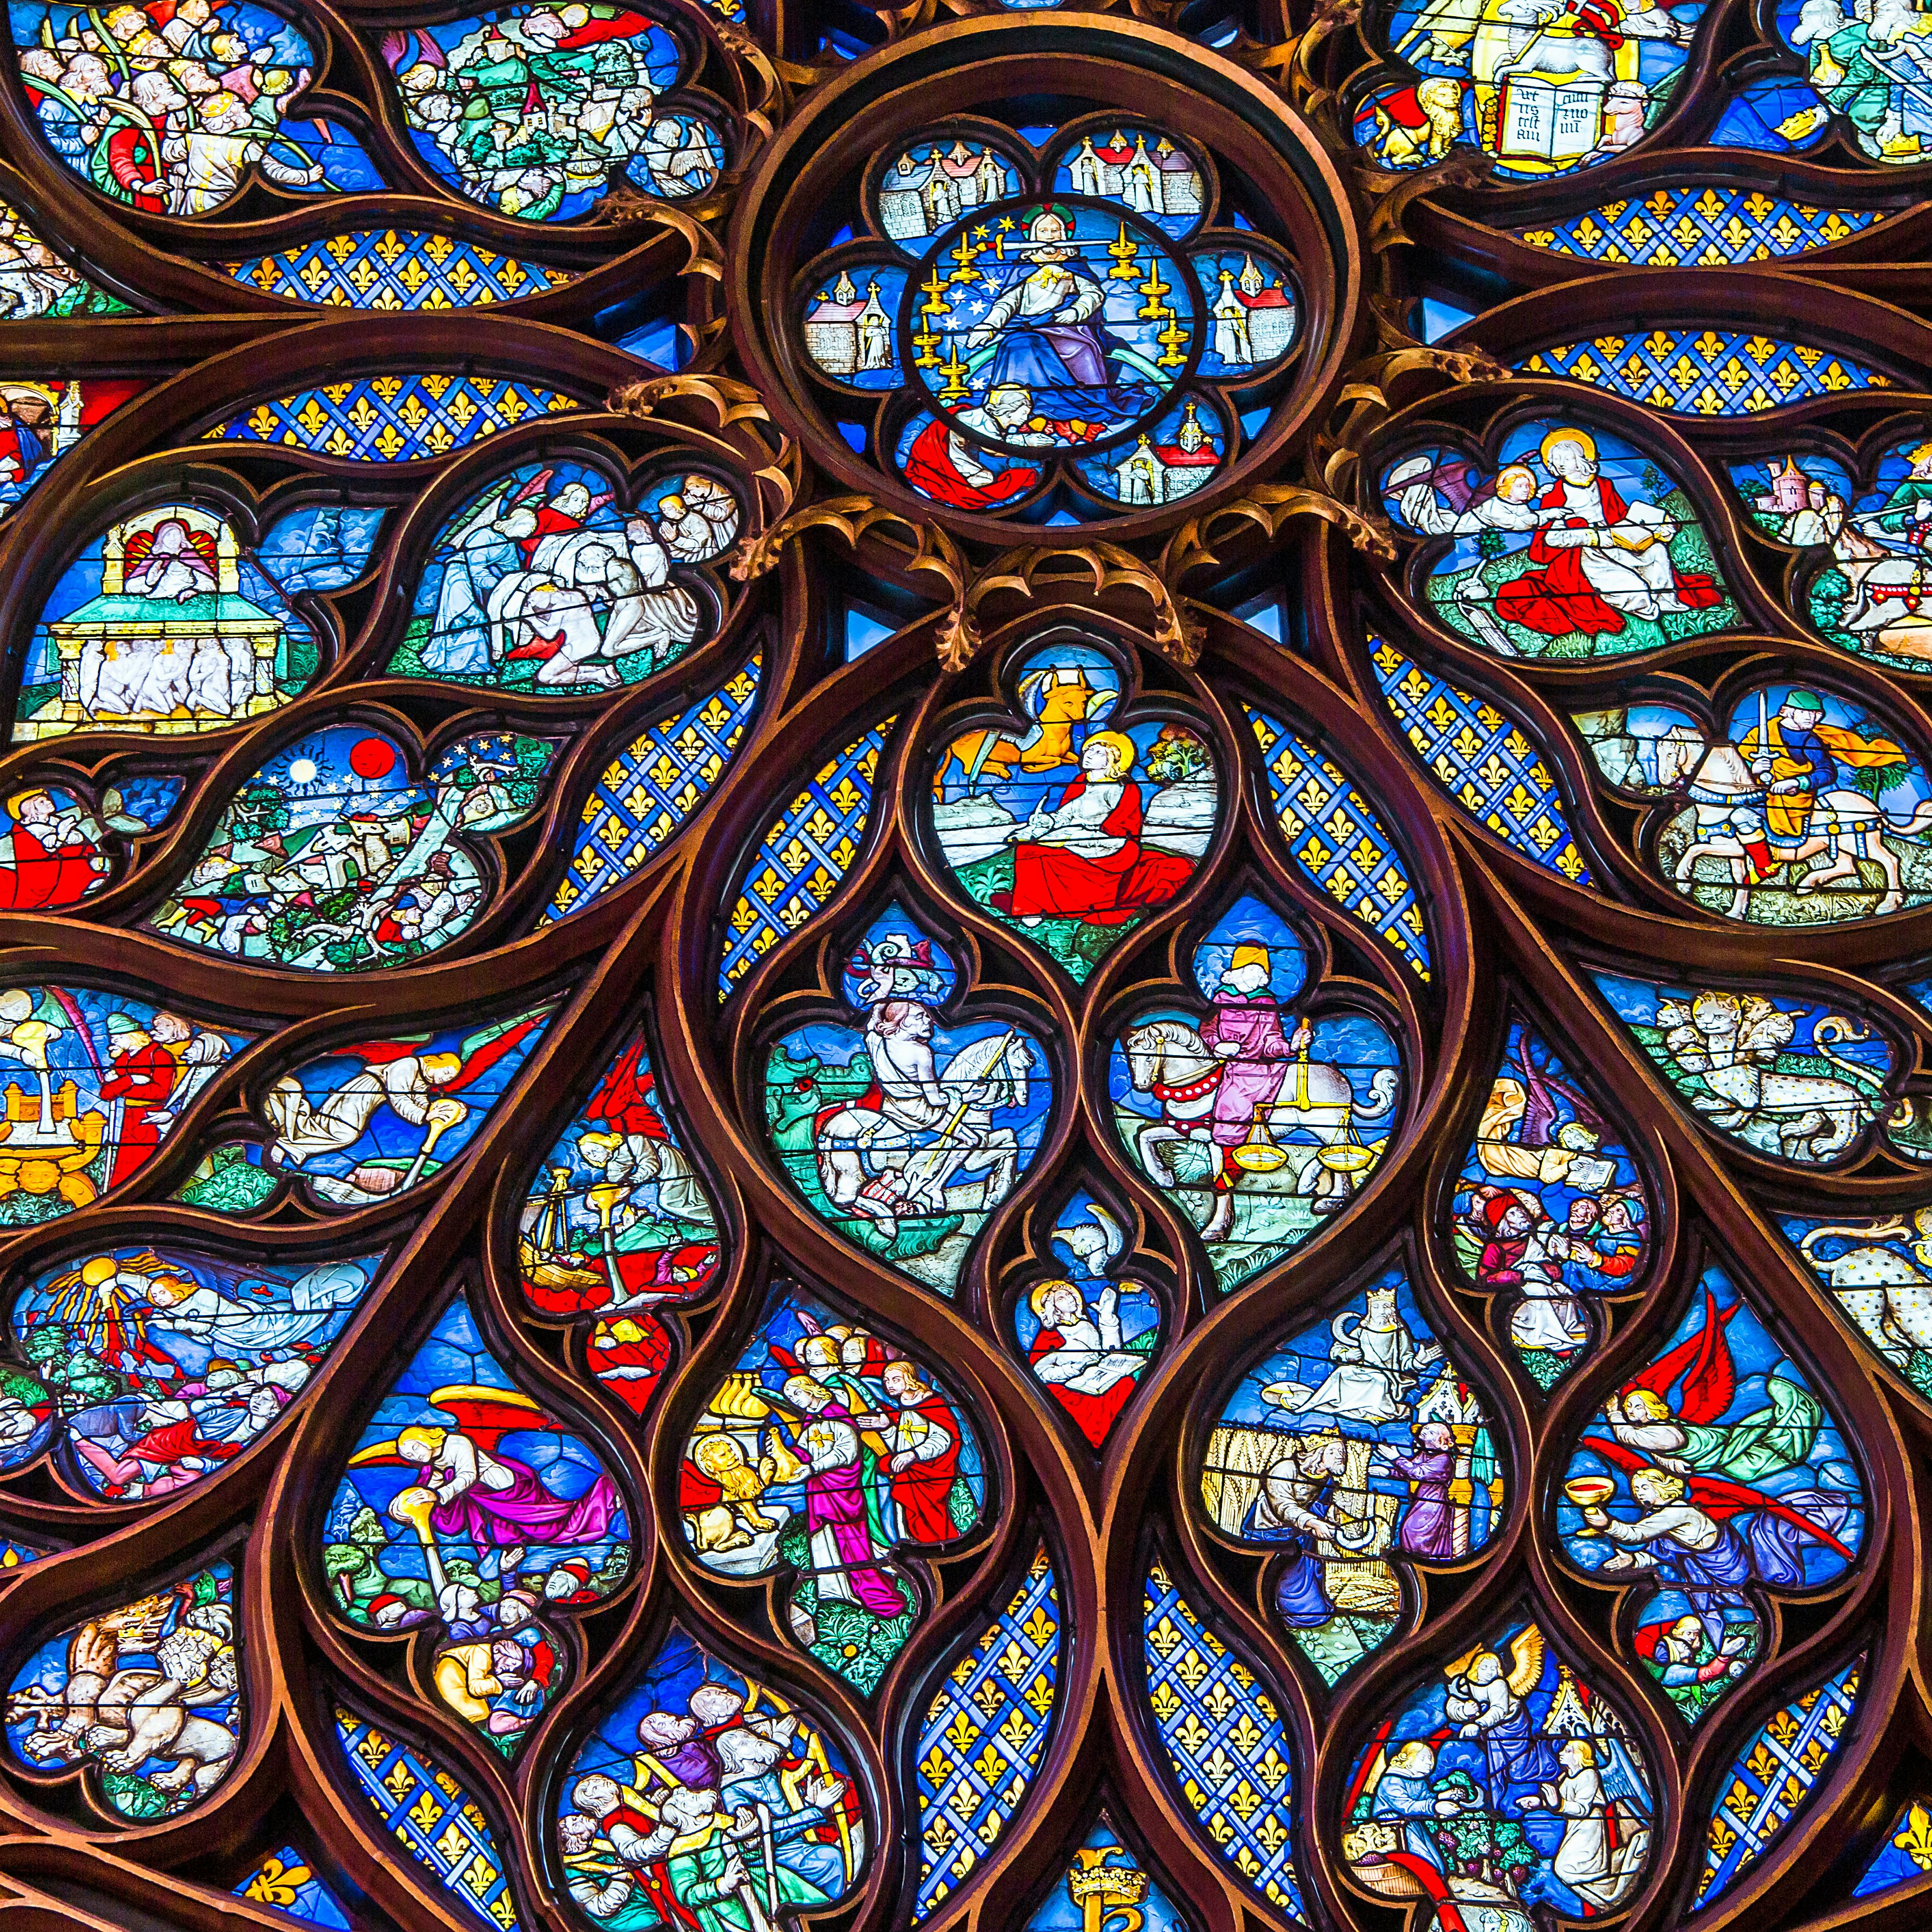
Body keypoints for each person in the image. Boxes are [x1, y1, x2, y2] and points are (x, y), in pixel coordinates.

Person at [1495, 427, 1721, 639]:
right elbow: (1549, 540)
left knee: (1657, 551)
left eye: (1565, 458)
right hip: (1583, 554)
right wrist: (1588, 534)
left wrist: (1656, 525)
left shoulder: (1604, 485)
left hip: (1618, 541)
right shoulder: (1553, 497)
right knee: (1633, 587)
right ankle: (1647, 608)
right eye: (1554, 460)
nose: (1559, 464)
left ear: (1581, 457)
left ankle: (1667, 600)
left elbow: (1622, 515)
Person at [997, 731, 1194, 926]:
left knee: (1036, 852)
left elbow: (1120, 830)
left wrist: (1072, 837)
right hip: (1076, 838)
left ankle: (1048, 907)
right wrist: (1046, 821)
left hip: (1108, 847)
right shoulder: (1080, 782)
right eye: (1089, 749)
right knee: (1026, 849)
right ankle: (1033, 906)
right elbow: (1066, 814)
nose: (1089, 754)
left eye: (1099, 752)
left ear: (1113, 760)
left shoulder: (1123, 788)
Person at [0, 790, 108, 909]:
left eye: (46, 798)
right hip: (43, 873)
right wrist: (61, 835)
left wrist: (72, 836)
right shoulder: (32, 830)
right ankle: (82, 883)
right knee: (66, 853)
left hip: (58, 858)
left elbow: (76, 837)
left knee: (79, 848)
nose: (48, 802)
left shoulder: (54, 820)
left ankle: (90, 875)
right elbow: (44, 853)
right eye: (42, 802)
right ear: (32, 810)